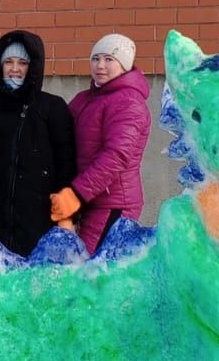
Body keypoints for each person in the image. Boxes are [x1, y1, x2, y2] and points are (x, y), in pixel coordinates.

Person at [0, 31, 77, 256]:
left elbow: (66, 164)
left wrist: (66, 217)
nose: (15, 69)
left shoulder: (52, 108)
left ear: (33, 67)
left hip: (39, 222)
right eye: (8, 62)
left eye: (22, 63)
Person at [50, 33, 151, 253]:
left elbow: (116, 156)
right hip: (91, 200)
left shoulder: (128, 102)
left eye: (109, 59)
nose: (100, 66)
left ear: (124, 65)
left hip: (113, 203)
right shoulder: (85, 99)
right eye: (96, 59)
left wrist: (76, 193)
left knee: (94, 270)